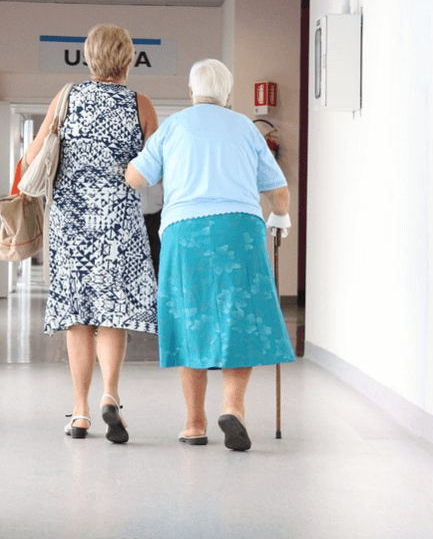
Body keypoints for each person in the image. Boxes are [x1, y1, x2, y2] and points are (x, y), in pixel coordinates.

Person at [125, 58, 295, 451]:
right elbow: (278, 191)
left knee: (190, 319)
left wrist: (136, 163)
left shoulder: (173, 127)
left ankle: (194, 424)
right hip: (240, 230)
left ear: (191, 92)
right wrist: (280, 217)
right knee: (239, 317)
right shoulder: (245, 128)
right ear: (229, 94)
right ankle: (233, 409)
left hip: (185, 234)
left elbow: (137, 177)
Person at [25, 24, 159, 443]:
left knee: (77, 316)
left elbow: (32, 157)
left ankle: (80, 412)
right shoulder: (141, 104)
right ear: (129, 59)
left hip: (70, 222)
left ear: (88, 58)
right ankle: (110, 396)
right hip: (118, 222)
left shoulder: (67, 98)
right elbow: (153, 170)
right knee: (112, 313)